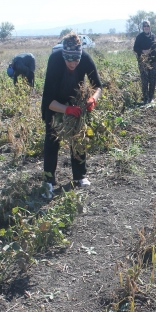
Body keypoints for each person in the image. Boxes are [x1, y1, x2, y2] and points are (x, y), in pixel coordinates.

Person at [40, 33, 102, 197]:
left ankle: (80, 176)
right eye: (69, 60)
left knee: (78, 139)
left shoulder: (85, 59)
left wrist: (92, 99)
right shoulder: (55, 61)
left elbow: (98, 86)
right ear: (64, 56)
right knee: (52, 140)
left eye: (76, 60)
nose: (73, 64)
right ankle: (49, 181)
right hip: (55, 105)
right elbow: (48, 100)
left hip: (76, 101)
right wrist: (66, 110)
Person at [133, 20, 156, 104]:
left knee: (153, 80)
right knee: (145, 80)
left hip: (153, 61)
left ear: (150, 27)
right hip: (143, 62)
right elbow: (135, 48)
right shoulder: (139, 37)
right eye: (145, 26)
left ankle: (151, 98)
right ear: (143, 27)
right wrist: (143, 51)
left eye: (148, 26)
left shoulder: (153, 36)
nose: (146, 27)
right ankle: (145, 98)